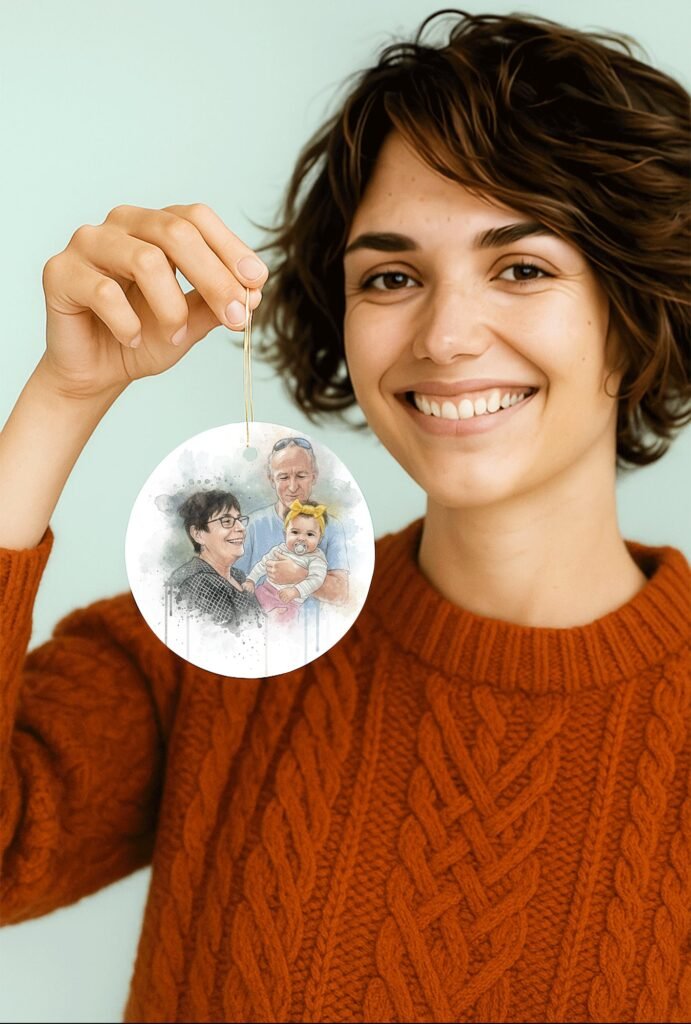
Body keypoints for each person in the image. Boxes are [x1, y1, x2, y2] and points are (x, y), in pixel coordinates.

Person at [0, 11, 689, 1024]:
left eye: (522, 267)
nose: (446, 335)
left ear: (637, 319)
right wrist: (59, 401)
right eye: (393, 277)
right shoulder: (218, 642)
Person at [234, 435, 350, 608]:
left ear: (314, 476)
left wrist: (298, 574)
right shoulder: (252, 525)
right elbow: (234, 584)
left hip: (309, 631)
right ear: (271, 480)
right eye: (283, 477)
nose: (293, 487)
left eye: (301, 476)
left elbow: (341, 595)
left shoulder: (332, 527)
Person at [166, 490, 264, 631]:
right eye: (227, 521)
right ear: (198, 534)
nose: (241, 528)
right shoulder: (198, 584)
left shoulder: (238, 576)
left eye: (239, 520)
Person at [242, 500, 329, 621]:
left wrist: (296, 591)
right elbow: (263, 564)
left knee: (280, 627)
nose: (302, 538)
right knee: (248, 617)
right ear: (285, 534)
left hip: (288, 603)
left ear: (320, 539)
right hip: (264, 591)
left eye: (310, 534)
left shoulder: (316, 558)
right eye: (295, 532)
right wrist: (251, 580)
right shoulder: (280, 550)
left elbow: (316, 579)